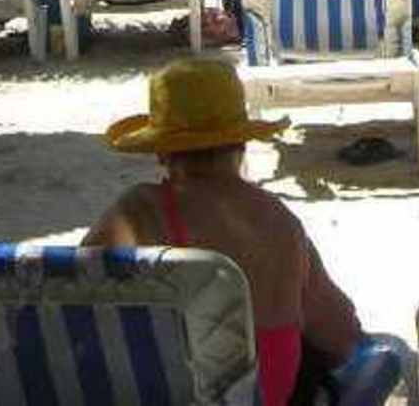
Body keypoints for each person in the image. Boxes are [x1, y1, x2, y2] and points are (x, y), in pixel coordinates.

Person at [88, 59, 361, 406]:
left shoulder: (138, 211)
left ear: (161, 153)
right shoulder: (279, 222)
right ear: (242, 143)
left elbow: (78, 293)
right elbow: (339, 336)